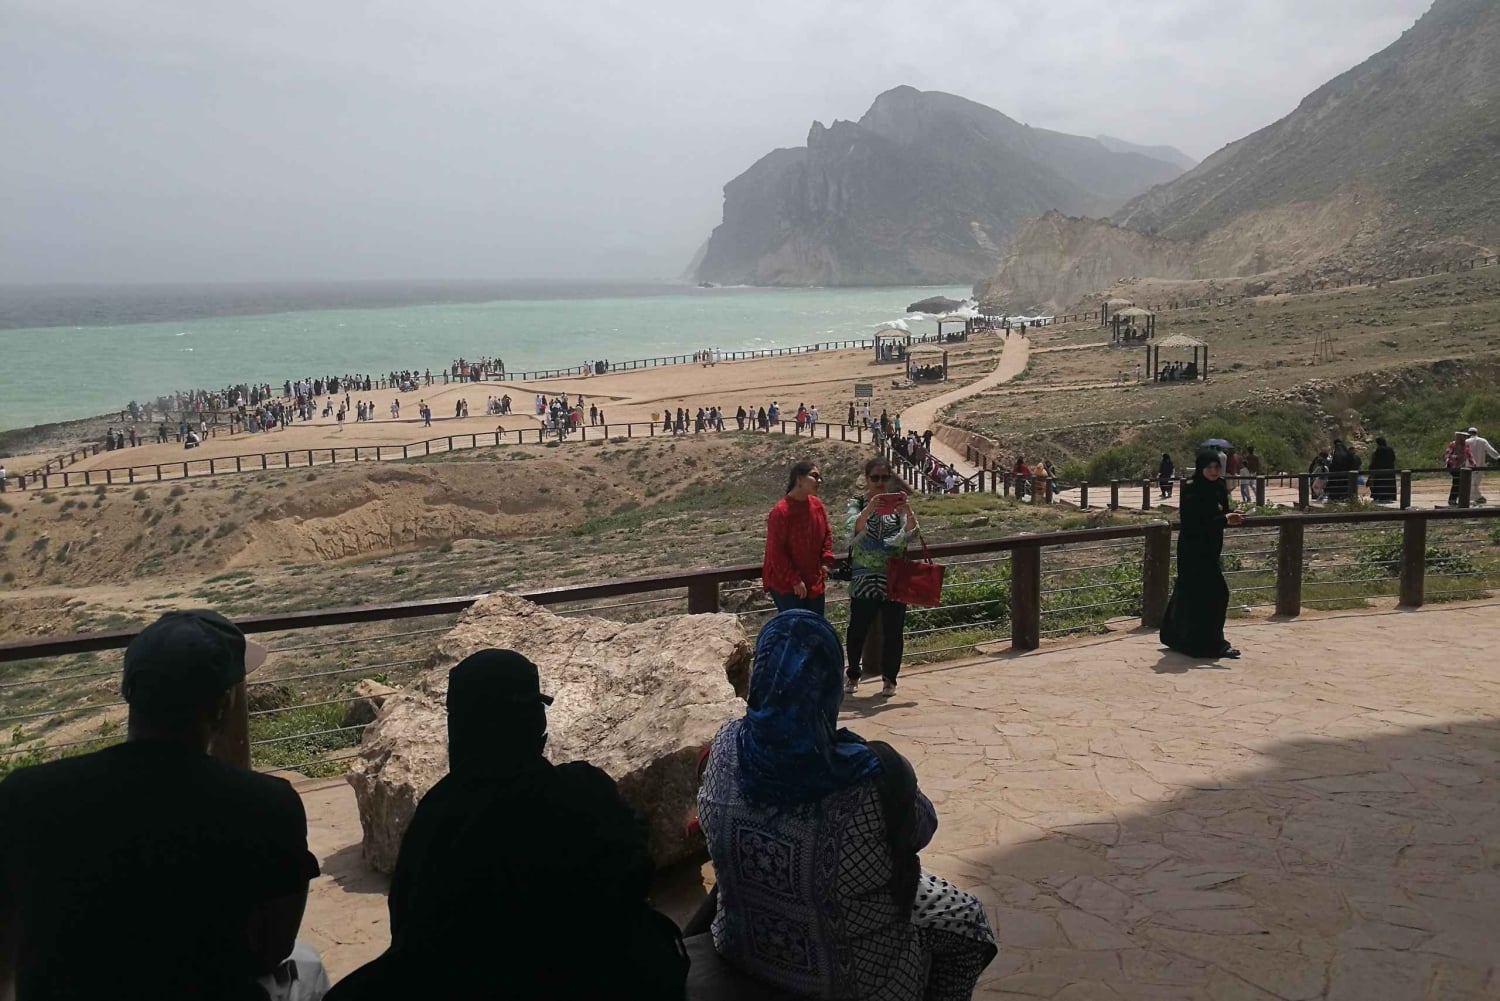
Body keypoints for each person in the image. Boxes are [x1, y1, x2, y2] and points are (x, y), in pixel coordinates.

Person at [0, 610, 325, 1001]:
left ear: (129, 692)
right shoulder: (268, 805)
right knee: (308, 964)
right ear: (222, 706)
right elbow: (275, 948)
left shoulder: (26, 794)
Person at [330, 650, 687, 1001]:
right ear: (535, 723)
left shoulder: (435, 816)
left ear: (458, 727)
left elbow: (406, 926)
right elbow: (634, 871)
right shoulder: (579, 794)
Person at [696, 612, 996, 1000]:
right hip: (857, 979)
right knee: (967, 918)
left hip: (744, 950)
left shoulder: (726, 748)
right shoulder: (871, 775)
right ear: (829, 685)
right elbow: (920, 831)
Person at [1160, 450, 1244, 659]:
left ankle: (1176, 636)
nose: (1214, 471)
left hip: (1211, 549)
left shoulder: (1219, 487)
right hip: (1193, 551)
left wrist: (1232, 515)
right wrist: (1225, 520)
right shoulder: (1191, 489)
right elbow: (1193, 522)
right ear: (1201, 468)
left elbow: (1219, 513)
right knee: (1213, 594)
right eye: (1209, 467)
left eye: (1217, 467)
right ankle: (1212, 643)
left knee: (1195, 594)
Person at [844, 457, 917, 698]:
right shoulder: (857, 503)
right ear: (866, 478)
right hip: (864, 578)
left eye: (885, 478)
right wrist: (869, 509)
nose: (880, 483)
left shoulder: (896, 506)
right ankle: (853, 673)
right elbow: (852, 529)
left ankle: (890, 679)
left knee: (893, 632)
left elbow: (910, 535)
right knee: (857, 630)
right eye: (875, 477)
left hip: (892, 578)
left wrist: (907, 511)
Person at [761, 460, 834, 615]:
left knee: (815, 628)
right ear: (799, 479)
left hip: (813, 578)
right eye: (814, 476)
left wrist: (825, 562)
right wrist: (794, 579)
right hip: (787, 584)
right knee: (796, 629)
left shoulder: (817, 505)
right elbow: (777, 551)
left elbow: (826, 534)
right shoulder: (780, 511)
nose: (819, 481)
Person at [1466, 426, 1499, 505]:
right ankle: (1476, 498)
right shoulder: (1483, 441)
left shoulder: (1466, 441)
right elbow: (1491, 450)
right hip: (1480, 465)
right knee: (1474, 483)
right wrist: (1498, 457)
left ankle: (1478, 498)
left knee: (1471, 483)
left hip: (1469, 466)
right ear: (1476, 433)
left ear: (1469, 433)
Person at [1368, 437, 1397, 503]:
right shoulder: (1390, 449)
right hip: (1390, 471)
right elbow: (1393, 459)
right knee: (1388, 484)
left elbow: (1374, 461)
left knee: (1379, 484)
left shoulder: (1378, 450)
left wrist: (1370, 469)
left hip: (1379, 472)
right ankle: (1389, 497)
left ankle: (1378, 497)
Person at [1445, 431, 1470, 506]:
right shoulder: (1453, 444)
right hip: (1453, 467)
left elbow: (1469, 454)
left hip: (1462, 466)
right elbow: (1447, 454)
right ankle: (1452, 500)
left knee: (1462, 483)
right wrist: (1454, 457)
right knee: (1457, 482)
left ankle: (1459, 499)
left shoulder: (1466, 445)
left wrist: (1473, 463)